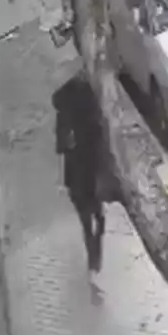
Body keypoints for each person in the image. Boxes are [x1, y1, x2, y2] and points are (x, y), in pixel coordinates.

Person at [53, 72, 116, 280]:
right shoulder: (88, 121)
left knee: (92, 221)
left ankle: (93, 259)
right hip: (86, 178)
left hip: (80, 179)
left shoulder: (67, 118)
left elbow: (60, 147)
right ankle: (94, 260)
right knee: (94, 220)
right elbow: (101, 148)